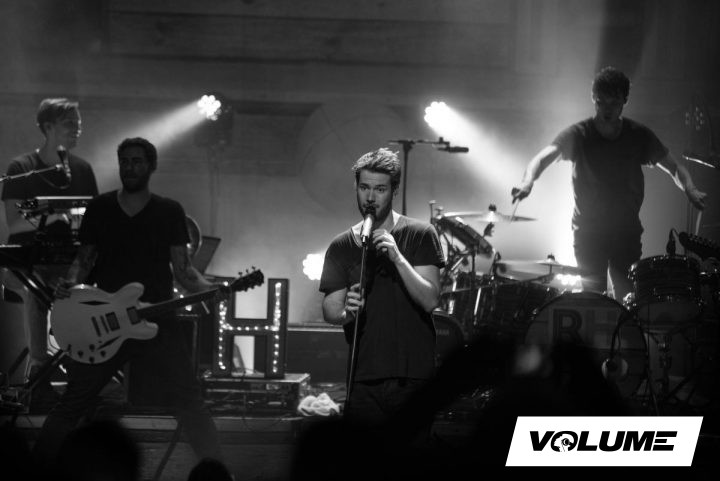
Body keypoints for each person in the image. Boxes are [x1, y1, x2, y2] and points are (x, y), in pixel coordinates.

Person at [32, 137, 223, 470]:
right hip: (106, 323)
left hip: (157, 322)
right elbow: (84, 260)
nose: (130, 168)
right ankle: (35, 471)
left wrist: (212, 289)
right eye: (124, 161)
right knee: (73, 402)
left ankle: (221, 473)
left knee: (190, 402)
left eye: (137, 161)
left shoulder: (169, 211)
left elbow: (183, 271)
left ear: (151, 166)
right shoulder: (100, 208)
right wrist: (69, 282)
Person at [511, 66, 707, 301]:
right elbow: (543, 158)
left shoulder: (638, 135)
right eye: (601, 102)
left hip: (626, 232)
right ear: (593, 99)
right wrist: (527, 182)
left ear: (624, 102)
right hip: (588, 233)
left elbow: (674, 167)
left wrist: (690, 189)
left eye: (613, 103)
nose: (606, 109)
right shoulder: (580, 134)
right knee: (593, 299)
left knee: (626, 300)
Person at [318, 148, 445, 442]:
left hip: (413, 376)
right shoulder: (342, 246)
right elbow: (330, 309)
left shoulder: (420, 234)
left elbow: (430, 300)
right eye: (364, 188)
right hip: (364, 376)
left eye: (380, 189)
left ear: (394, 191)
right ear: (356, 187)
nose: (370, 198)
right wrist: (346, 311)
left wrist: (398, 258)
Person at [0, 98, 98, 412]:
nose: (77, 129)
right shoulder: (21, 168)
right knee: (37, 289)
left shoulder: (82, 170)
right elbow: (15, 221)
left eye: (79, 124)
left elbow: (92, 225)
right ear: (47, 127)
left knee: (89, 291)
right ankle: (40, 374)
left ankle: (89, 374)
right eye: (70, 123)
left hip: (69, 265)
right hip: (26, 266)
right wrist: (57, 215)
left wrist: (76, 274)